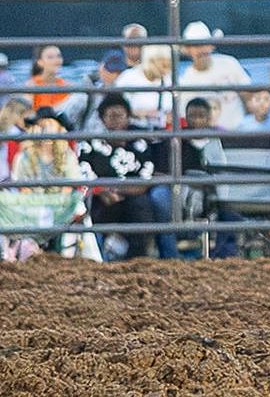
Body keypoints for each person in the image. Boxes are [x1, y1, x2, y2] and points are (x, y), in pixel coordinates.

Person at [76, 95, 180, 260]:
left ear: (128, 117)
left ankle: (138, 259)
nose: (116, 120)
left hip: (134, 195)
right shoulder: (91, 145)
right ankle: (99, 259)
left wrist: (118, 190)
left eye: (120, 115)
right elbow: (84, 172)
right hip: (102, 197)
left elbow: (145, 178)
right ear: (103, 119)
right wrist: (103, 191)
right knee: (96, 211)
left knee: (142, 209)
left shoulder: (139, 143)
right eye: (111, 116)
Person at [0, 111, 95, 262]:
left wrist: (57, 202)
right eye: (41, 126)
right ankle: (14, 251)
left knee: (78, 206)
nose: (45, 131)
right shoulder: (25, 156)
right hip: (31, 206)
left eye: (50, 125)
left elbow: (70, 185)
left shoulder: (67, 155)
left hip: (60, 205)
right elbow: (24, 187)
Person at [177, 21, 252, 130]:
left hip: (240, 132)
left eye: (204, 44)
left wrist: (249, 126)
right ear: (188, 50)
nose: (202, 50)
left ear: (211, 46)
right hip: (208, 140)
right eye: (196, 46)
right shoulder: (185, 81)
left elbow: (248, 96)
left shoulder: (229, 63)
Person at [115, 44, 175, 129]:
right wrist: (143, 113)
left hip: (163, 133)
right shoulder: (127, 78)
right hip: (133, 131)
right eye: (164, 65)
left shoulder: (170, 80)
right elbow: (116, 108)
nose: (167, 70)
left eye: (169, 65)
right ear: (151, 61)